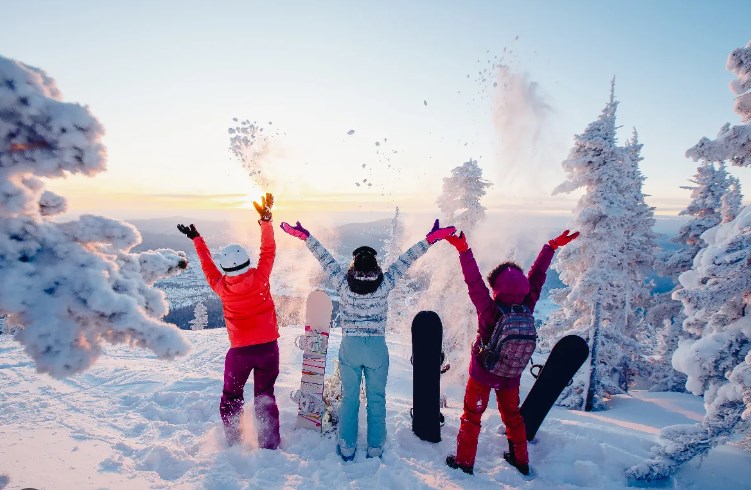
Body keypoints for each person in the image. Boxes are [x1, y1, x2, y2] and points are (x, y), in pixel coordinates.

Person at [280, 218, 455, 461]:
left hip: (351, 347)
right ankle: (375, 447)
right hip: (376, 348)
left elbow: (325, 259)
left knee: (350, 398)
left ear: (354, 265)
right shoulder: (384, 285)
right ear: (375, 265)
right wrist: (429, 240)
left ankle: (347, 446)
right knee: (376, 398)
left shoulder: (343, 284)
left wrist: (306, 237)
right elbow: (406, 260)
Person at [443, 229, 579, 475]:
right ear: (524, 289)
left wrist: (464, 250)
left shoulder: (489, 309)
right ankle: (521, 460)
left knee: (472, 416)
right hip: (510, 375)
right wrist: (550, 247)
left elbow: (473, 280)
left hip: (482, 374)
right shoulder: (527, 306)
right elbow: (537, 277)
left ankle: (464, 462)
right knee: (513, 417)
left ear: (495, 287)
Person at [177, 193, 280, 449]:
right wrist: (265, 220)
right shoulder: (260, 277)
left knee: (232, 396)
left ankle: (235, 441)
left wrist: (197, 239)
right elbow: (268, 250)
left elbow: (207, 265)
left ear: (227, 269)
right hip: (268, 349)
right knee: (264, 396)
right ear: (247, 262)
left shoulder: (222, 286)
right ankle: (269, 444)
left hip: (240, 353)